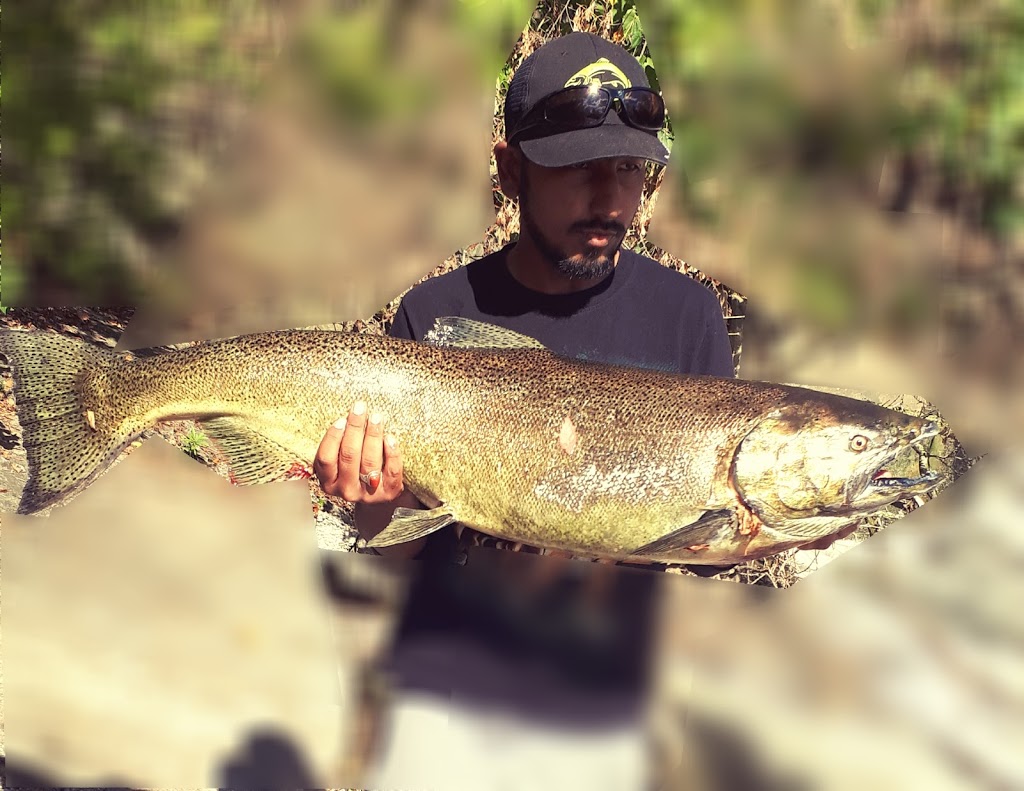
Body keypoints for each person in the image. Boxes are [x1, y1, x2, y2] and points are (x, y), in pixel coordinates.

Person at [315, 31, 735, 790]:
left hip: (599, 714)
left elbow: (698, 544)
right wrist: (371, 505)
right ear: (511, 171)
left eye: (629, 169)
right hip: (439, 703)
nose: (609, 200)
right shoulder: (436, 312)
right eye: (577, 170)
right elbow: (396, 545)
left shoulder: (688, 317)